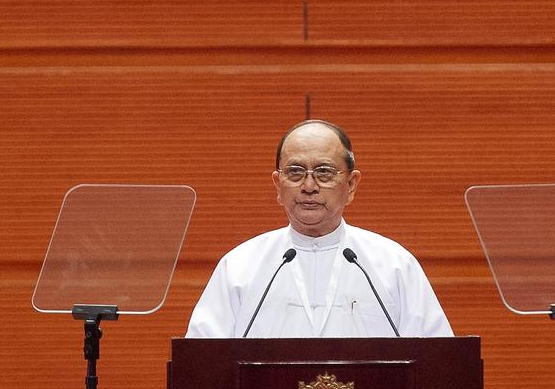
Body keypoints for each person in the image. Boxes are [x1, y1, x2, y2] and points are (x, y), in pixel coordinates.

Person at [185, 119, 453, 338]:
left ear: (351, 185)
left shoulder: (393, 265)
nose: (309, 186)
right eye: (295, 172)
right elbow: (202, 365)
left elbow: (437, 361)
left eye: (324, 172)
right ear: (278, 185)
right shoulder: (239, 267)